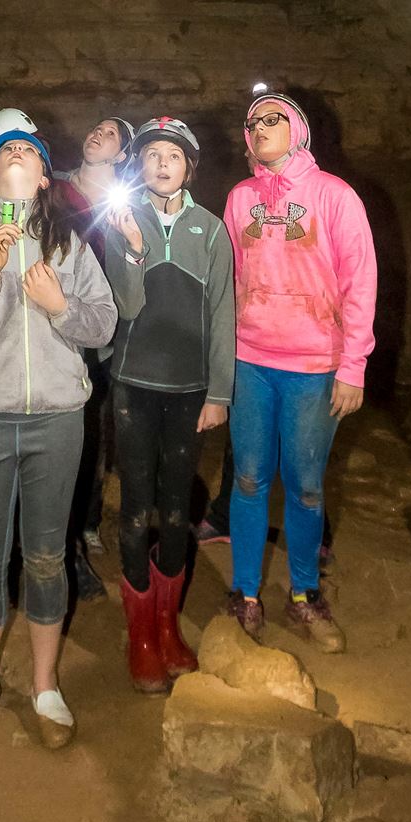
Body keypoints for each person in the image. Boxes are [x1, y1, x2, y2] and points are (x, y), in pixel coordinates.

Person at [0, 116, 117, 752]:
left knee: (45, 555)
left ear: (43, 178)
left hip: (58, 420)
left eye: (28, 154)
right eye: (5, 152)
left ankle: (44, 686)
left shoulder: (72, 242)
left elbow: (103, 325)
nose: (16, 159)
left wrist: (58, 305)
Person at [222, 90, 376, 654]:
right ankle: (245, 591)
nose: (259, 128)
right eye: (252, 123)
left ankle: (305, 594)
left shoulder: (335, 197)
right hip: (250, 361)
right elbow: (229, 281)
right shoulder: (240, 199)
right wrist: (222, 359)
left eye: (272, 119)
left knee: (307, 487)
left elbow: (360, 280)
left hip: (314, 364)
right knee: (248, 478)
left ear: (298, 130)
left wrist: (353, 366)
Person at [101, 118, 234, 692]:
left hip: (188, 391)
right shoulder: (121, 223)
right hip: (133, 382)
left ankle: (166, 625)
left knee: (177, 509)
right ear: (139, 165)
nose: (161, 163)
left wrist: (220, 391)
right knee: (135, 507)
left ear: (189, 167)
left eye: (172, 156)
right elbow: (124, 311)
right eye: (151, 154)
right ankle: (140, 637)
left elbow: (223, 313)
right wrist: (133, 251)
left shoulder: (212, 230)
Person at [57, 113, 134, 596]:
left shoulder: (129, 206)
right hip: (52, 331)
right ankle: (64, 546)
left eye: (109, 134)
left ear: (123, 155)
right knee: (64, 439)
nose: (95, 133)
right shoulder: (52, 189)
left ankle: (83, 527)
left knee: (92, 438)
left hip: (101, 339)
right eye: (95, 127)